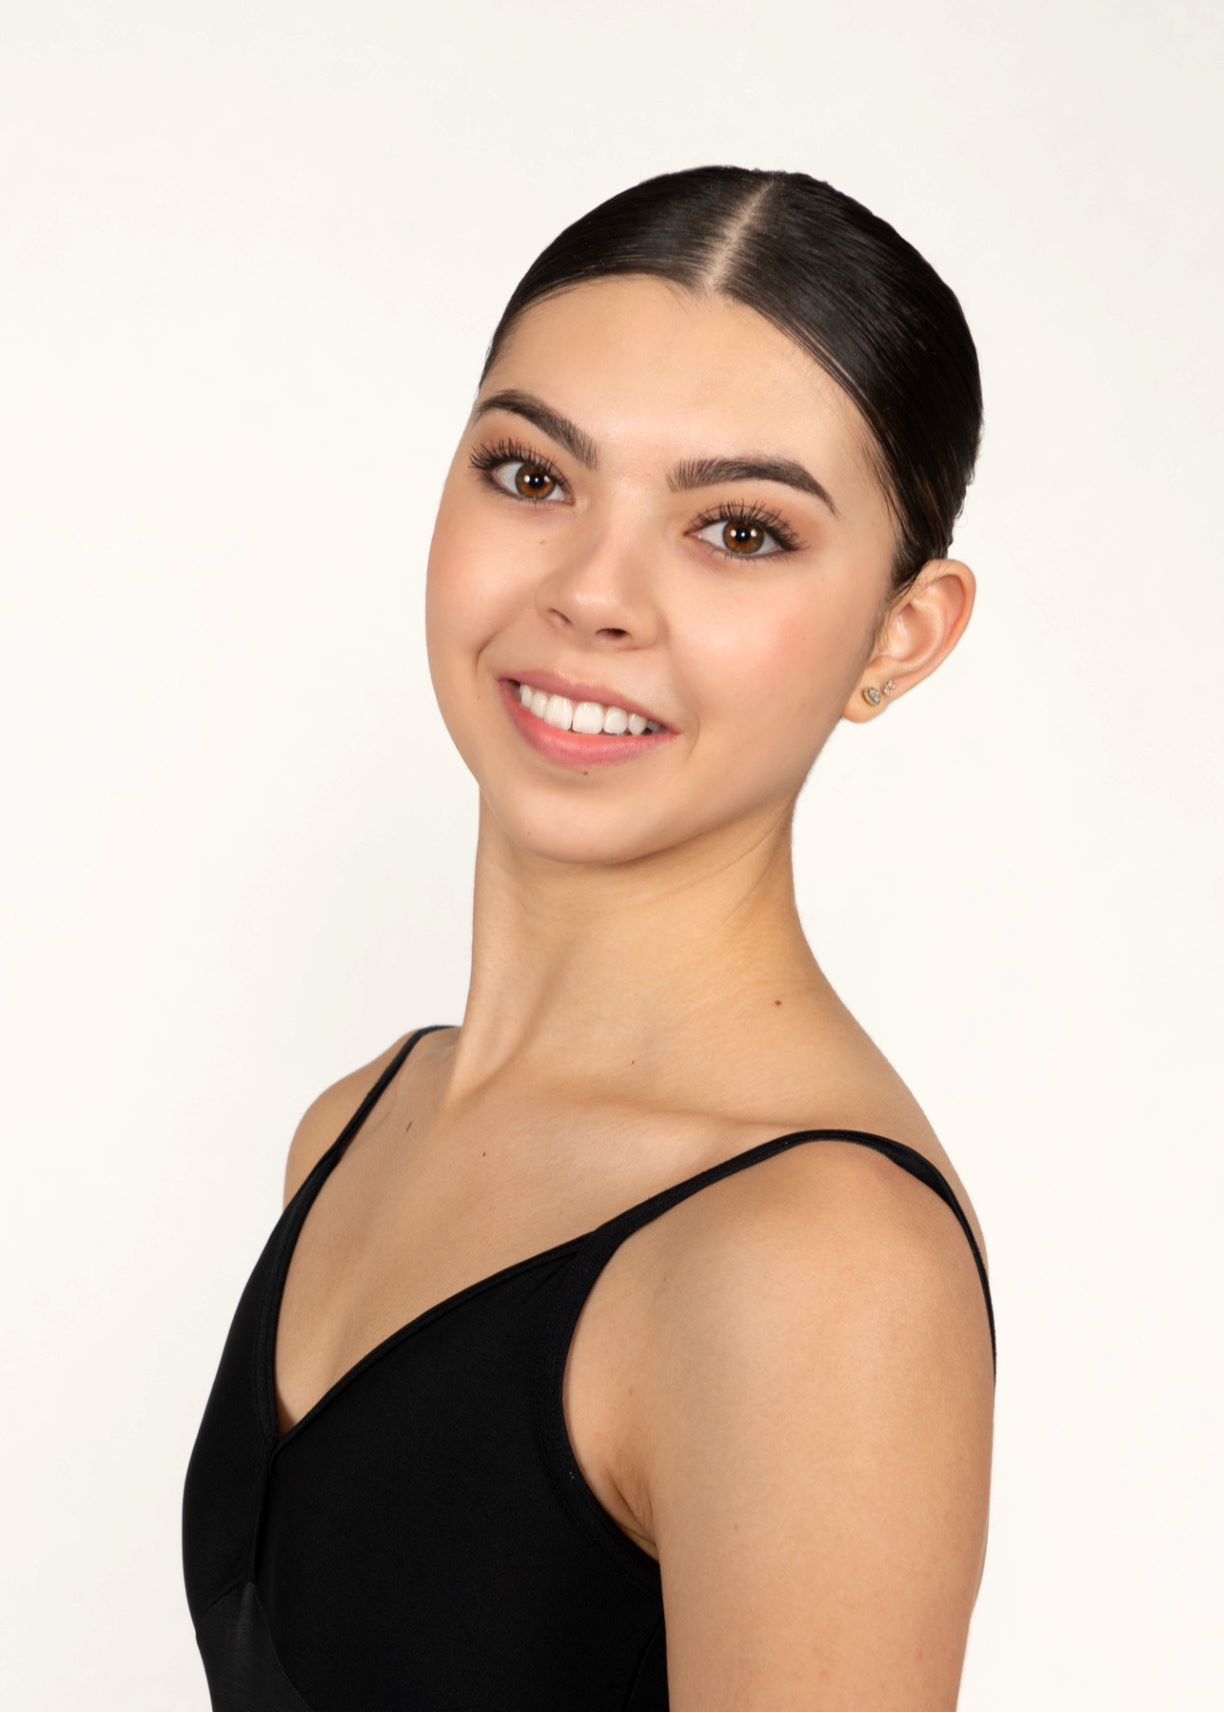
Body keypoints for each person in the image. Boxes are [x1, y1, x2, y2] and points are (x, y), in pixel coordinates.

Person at [182, 163, 996, 1712]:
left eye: (740, 529)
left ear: (901, 637)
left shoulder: (818, 1272)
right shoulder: (356, 1125)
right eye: (534, 475)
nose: (594, 595)